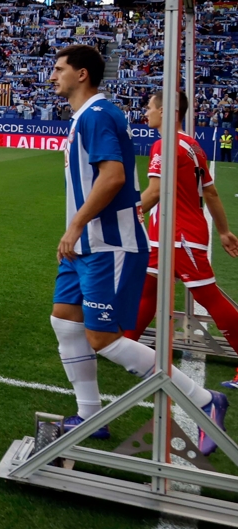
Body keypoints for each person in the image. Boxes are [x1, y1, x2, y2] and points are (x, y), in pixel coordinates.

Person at [46, 44, 228, 448]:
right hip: (86, 245)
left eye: (59, 69)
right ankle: (90, 415)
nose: (52, 76)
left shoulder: (97, 114)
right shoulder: (85, 116)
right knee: (65, 321)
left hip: (108, 243)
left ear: (82, 74)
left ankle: (205, 400)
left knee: (102, 338)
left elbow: (113, 177)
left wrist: (75, 225)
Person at [124, 91, 238, 388]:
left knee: (208, 297)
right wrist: (223, 231)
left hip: (179, 235)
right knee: (148, 286)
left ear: (165, 111)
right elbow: (210, 192)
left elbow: (154, 192)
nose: (145, 112)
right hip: (170, 233)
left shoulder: (166, 144)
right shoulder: (193, 145)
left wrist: (124, 215)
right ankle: (125, 347)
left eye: (149, 107)